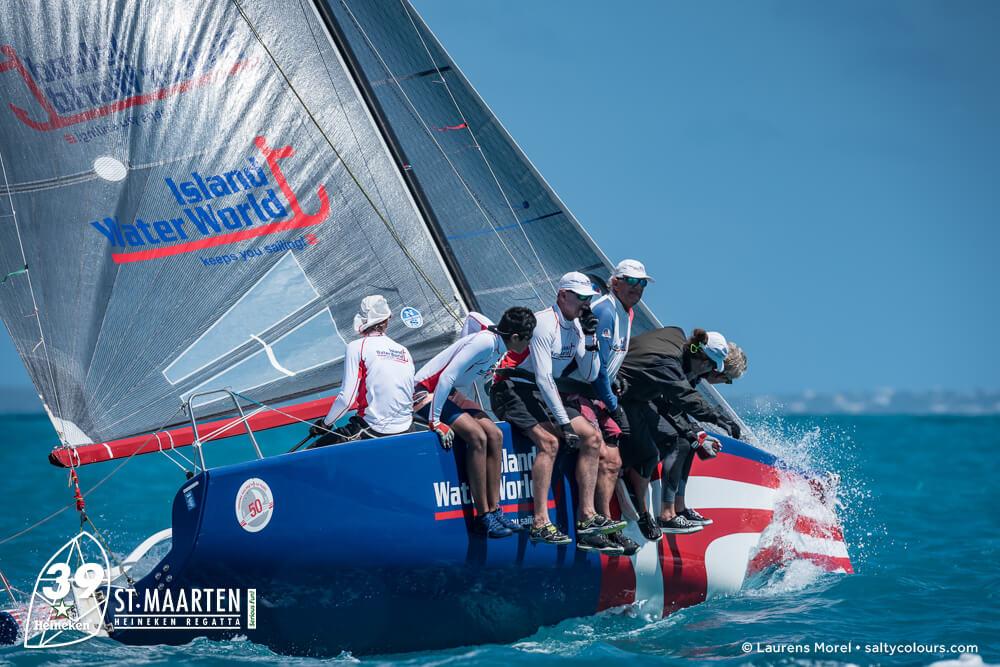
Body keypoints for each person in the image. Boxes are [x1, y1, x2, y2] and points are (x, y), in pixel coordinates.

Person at [490, 272, 626, 554]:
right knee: (550, 442)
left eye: (589, 300)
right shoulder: (543, 323)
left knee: (591, 438)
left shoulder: (577, 326)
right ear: (563, 295)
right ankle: (540, 522)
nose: (585, 305)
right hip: (512, 386)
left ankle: (587, 517)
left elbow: (589, 373)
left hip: (540, 392)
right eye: (580, 299)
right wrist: (564, 424)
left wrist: (589, 337)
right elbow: (543, 378)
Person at [413, 307, 536, 538]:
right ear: (516, 337)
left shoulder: (501, 344)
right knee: (477, 436)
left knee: (496, 434)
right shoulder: (486, 343)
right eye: (528, 339)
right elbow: (447, 376)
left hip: (450, 391)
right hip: (424, 391)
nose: (529, 344)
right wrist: (436, 420)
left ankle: (495, 509)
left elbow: (472, 315)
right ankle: (483, 514)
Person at [562, 259, 654, 556]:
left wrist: (616, 386)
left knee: (613, 460)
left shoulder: (627, 312)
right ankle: (587, 521)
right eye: (630, 281)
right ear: (614, 282)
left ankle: (607, 524)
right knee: (598, 445)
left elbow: (610, 366)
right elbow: (595, 367)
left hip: (599, 393)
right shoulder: (604, 308)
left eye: (642, 284)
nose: (636, 288)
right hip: (576, 390)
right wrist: (614, 405)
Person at [618, 327, 744, 536]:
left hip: (641, 397)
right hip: (626, 396)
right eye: (727, 379)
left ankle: (679, 507)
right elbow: (677, 398)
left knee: (687, 440)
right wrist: (718, 419)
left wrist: (694, 432)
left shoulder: (687, 364)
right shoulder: (674, 364)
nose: (725, 383)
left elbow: (673, 403)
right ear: (710, 366)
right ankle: (664, 513)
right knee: (671, 444)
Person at [309, 295, 415, 444]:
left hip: (372, 431)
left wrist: (324, 424)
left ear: (362, 320)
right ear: (387, 320)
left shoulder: (357, 347)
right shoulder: (404, 351)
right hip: (407, 429)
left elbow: (347, 399)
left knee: (312, 451)